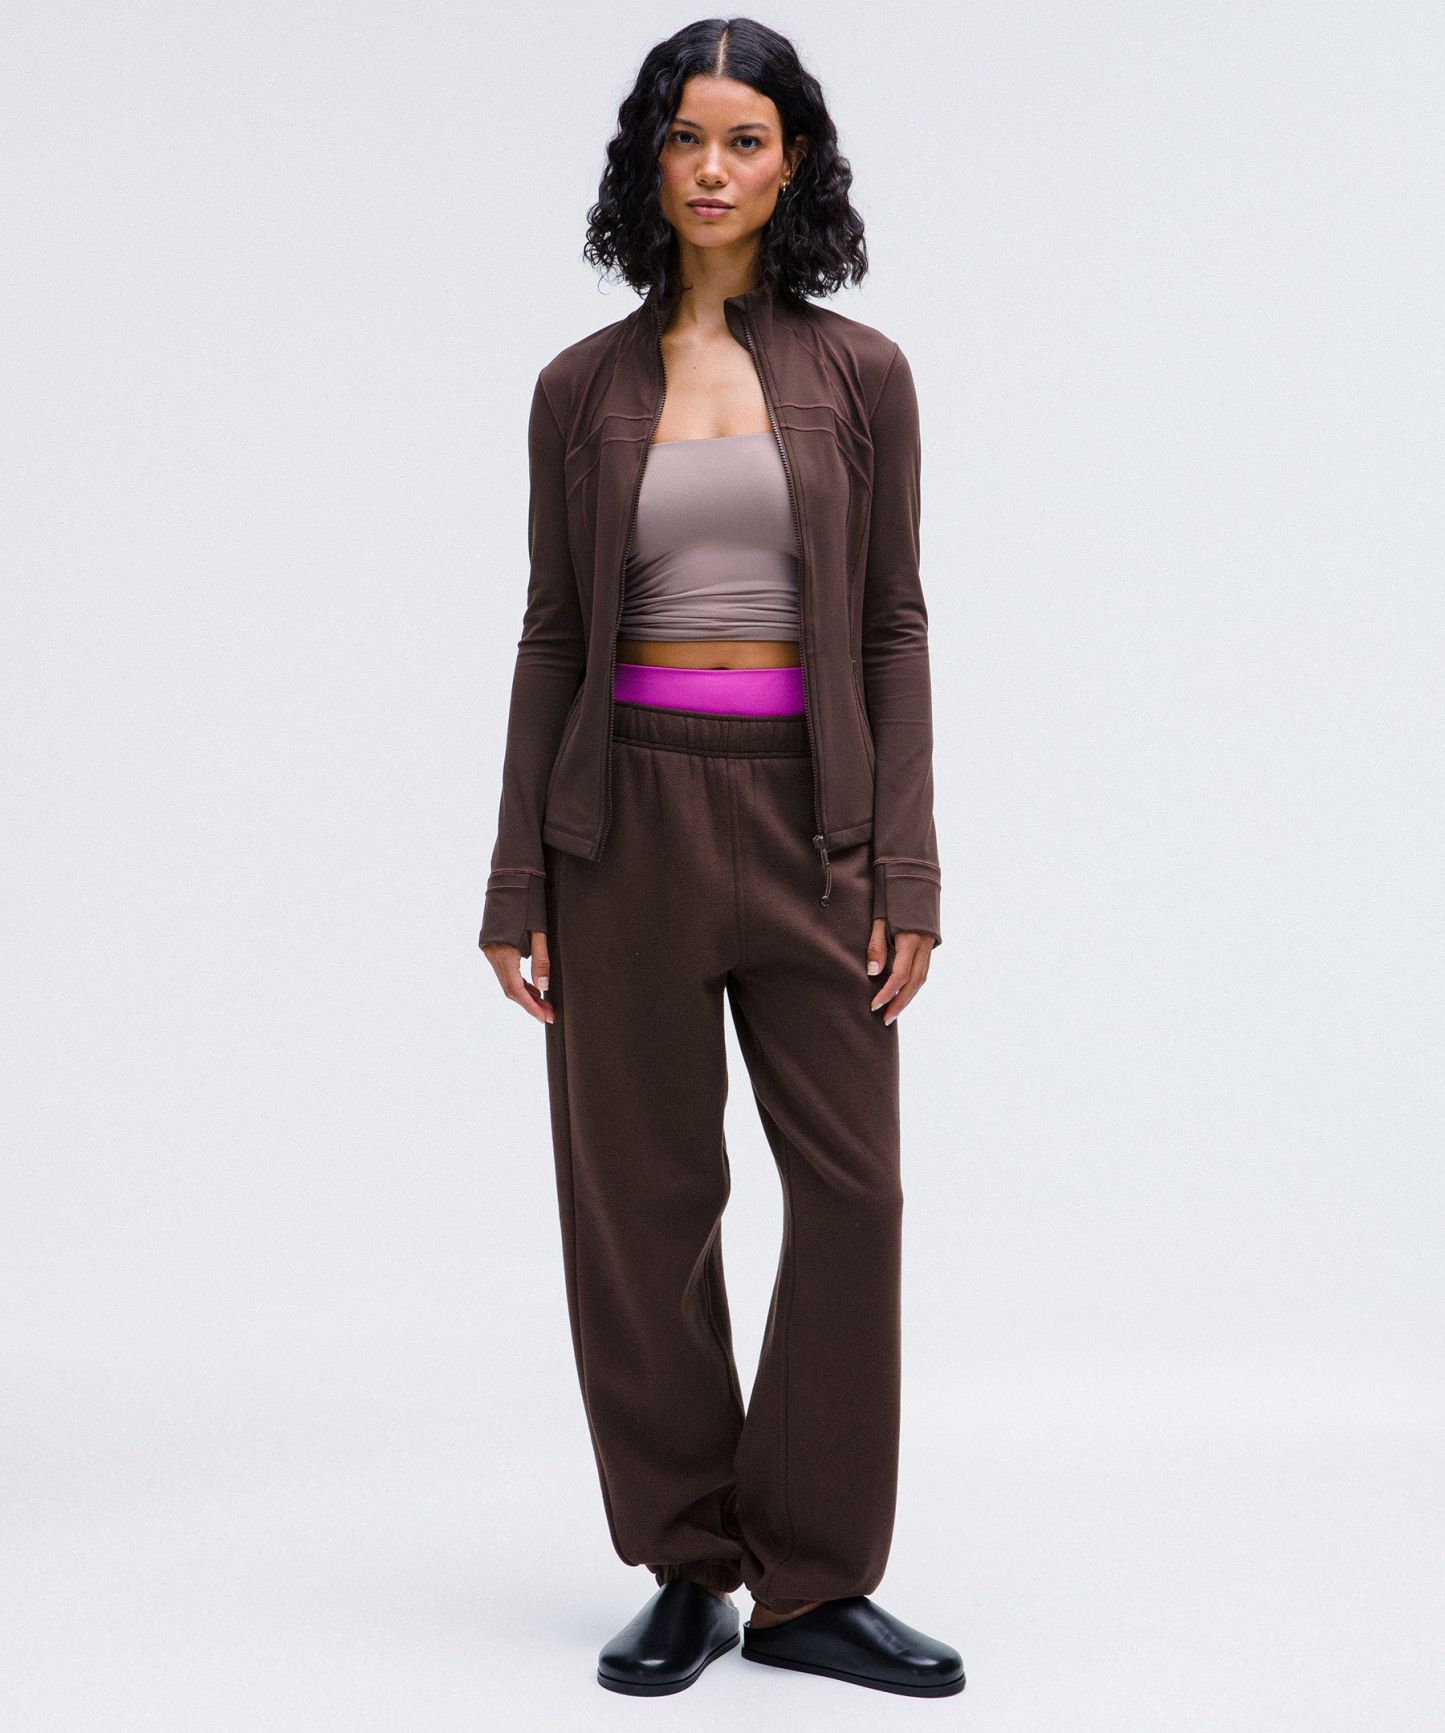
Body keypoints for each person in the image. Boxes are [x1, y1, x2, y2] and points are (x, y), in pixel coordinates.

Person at [479, 17, 964, 1700]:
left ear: (792, 163)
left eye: (744, 139)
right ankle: (688, 1561)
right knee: (643, 1204)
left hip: (810, 826)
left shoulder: (861, 375)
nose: (710, 168)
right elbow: (553, 634)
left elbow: (892, 626)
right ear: (648, 160)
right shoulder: (578, 389)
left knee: (853, 1193)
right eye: (683, 138)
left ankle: (813, 1580)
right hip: (619, 827)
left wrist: (905, 869)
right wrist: (515, 876)